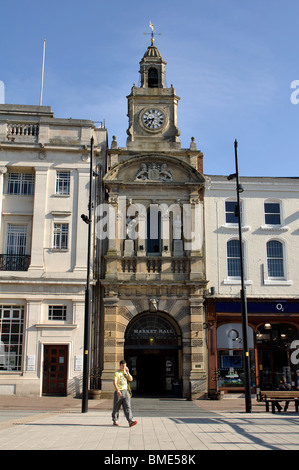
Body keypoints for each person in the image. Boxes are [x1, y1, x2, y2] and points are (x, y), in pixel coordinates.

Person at [112, 360, 137, 427]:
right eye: (122, 366)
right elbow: (114, 382)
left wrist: (127, 372)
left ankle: (130, 420)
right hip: (119, 391)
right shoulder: (117, 373)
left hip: (126, 391)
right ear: (120, 366)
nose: (124, 367)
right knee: (116, 407)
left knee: (127, 406)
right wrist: (118, 391)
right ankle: (115, 420)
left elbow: (131, 379)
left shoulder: (125, 372)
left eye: (125, 366)